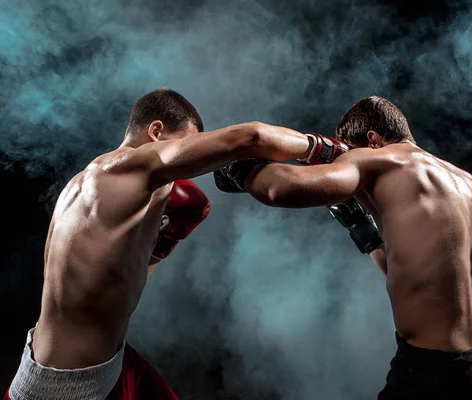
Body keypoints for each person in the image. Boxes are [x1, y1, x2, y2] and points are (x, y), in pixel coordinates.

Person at [5, 88, 316, 400]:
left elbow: (111, 289)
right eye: (184, 145)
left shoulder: (92, 188)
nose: (185, 161)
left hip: (101, 367)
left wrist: (161, 245)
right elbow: (251, 136)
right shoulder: (121, 169)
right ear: (156, 131)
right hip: (66, 390)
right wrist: (322, 149)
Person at [214, 96, 472, 399]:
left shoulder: (379, 159)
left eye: (349, 153)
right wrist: (362, 231)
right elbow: (417, 275)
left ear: (373, 140)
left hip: (439, 374)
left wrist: (243, 171)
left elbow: (280, 188)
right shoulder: (463, 179)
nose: (348, 164)